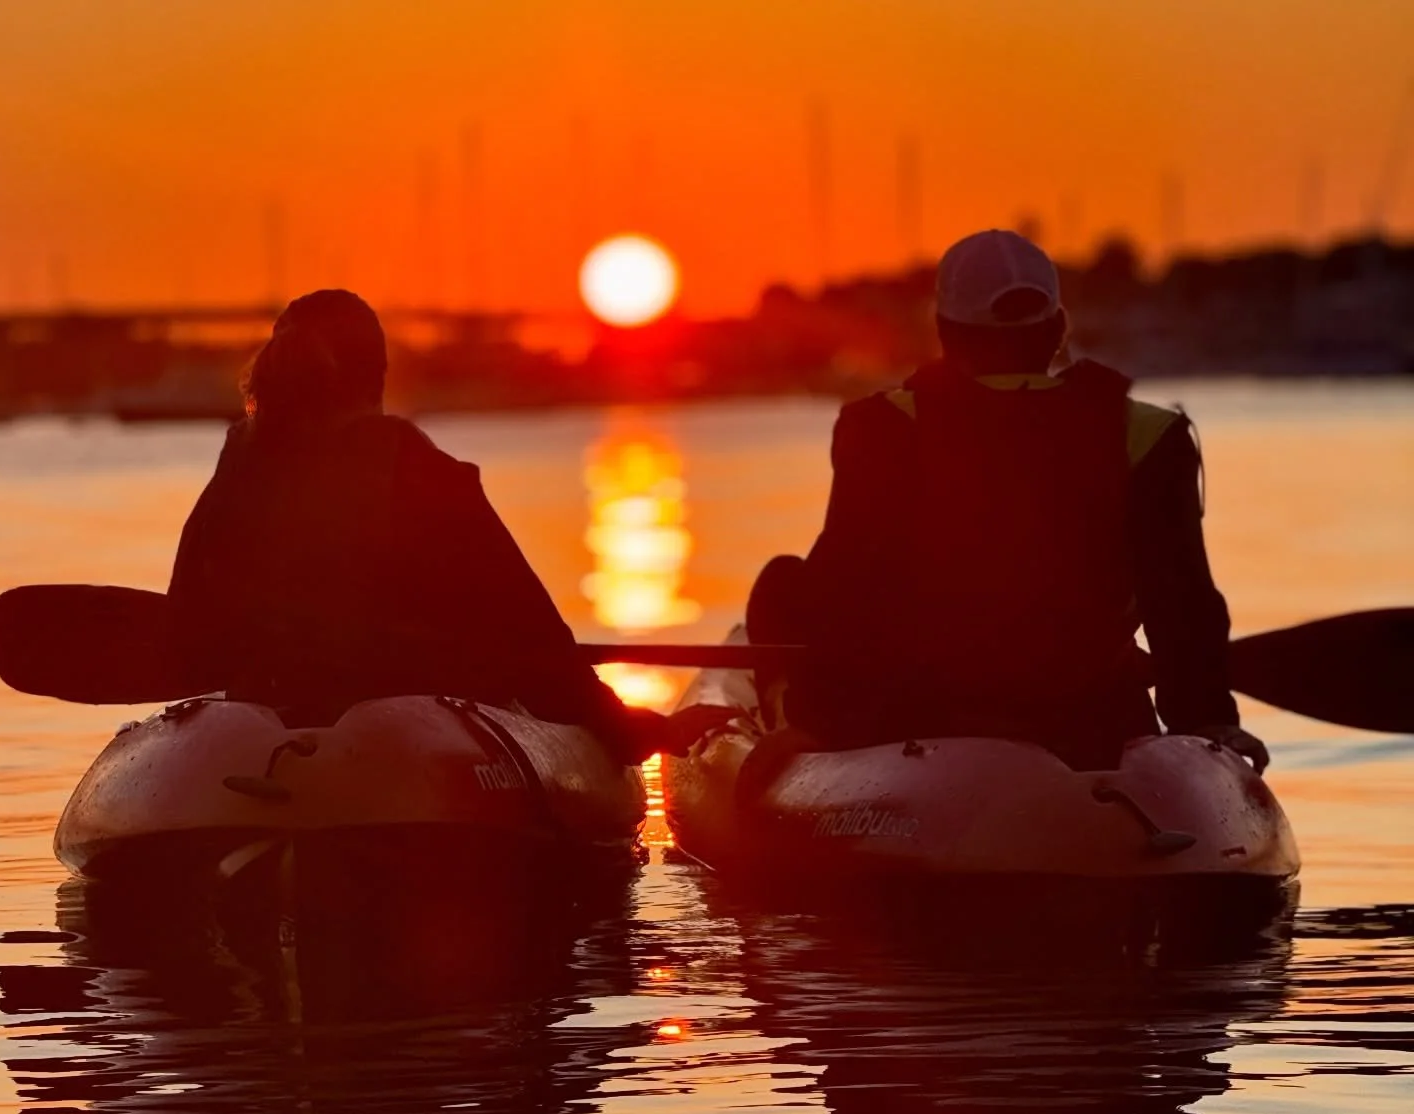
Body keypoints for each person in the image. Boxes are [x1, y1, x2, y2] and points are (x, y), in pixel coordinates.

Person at [749, 230, 1268, 773]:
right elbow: (1182, 604)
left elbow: (843, 589)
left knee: (782, 585)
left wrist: (817, 721)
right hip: (1096, 721)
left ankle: (784, 716)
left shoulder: (883, 429)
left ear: (946, 333)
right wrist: (1208, 719)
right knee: (788, 583)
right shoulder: (1150, 436)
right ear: (1058, 329)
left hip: (923, 719)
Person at [169, 290, 724, 760]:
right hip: (403, 742)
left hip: (261, 730)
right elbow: (535, 641)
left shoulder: (238, 475)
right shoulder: (418, 471)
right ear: (378, 377)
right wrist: (641, 731)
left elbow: (188, 631)